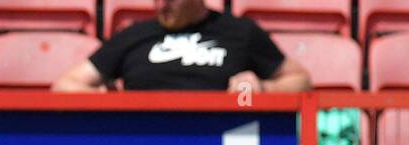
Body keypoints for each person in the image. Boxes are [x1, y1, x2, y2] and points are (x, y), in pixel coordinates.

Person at [53, 0, 311, 93]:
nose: (160, 5)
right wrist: (104, 102)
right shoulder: (134, 35)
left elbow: (301, 80)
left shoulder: (240, 32)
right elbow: (66, 84)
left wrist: (263, 87)